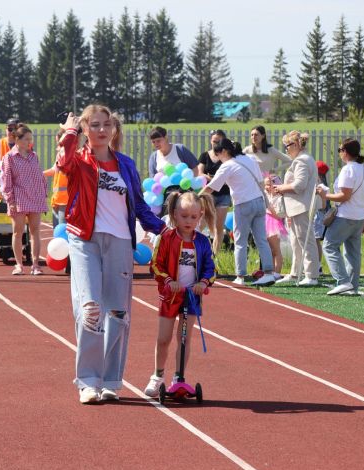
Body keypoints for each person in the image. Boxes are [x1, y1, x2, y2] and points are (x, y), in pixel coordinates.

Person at [57, 106, 166, 404]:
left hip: (120, 241)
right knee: (91, 308)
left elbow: (141, 207)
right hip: (85, 240)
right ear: (84, 129)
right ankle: (88, 381)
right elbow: (62, 163)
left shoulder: (127, 165)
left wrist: (163, 230)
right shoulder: (78, 161)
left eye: (107, 125)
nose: (102, 130)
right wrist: (69, 133)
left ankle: (110, 380)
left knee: (118, 313)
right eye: (94, 125)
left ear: (114, 129)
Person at [144, 191, 216, 397]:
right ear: (175, 214)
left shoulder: (202, 241)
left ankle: (179, 377)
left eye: (194, 217)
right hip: (170, 296)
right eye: (184, 216)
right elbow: (156, 265)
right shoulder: (166, 238)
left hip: (192, 297)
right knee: (163, 338)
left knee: (184, 339)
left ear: (200, 216)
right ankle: (157, 376)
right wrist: (168, 281)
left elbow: (211, 268)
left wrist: (203, 282)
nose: (188, 221)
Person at [199, 138, 276, 286]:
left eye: (218, 154)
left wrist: (195, 198)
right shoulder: (249, 159)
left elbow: (211, 187)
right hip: (259, 201)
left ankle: (240, 276)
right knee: (261, 239)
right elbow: (260, 180)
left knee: (240, 241)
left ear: (224, 151)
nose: (218, 158)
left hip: (243, 204)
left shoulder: (227, 166)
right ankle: (268, 273)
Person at [317, 138, 364, 295]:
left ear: (346, 152)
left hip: (345, 216)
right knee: (353, 252)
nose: (339, 152)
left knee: (329, 245)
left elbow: (344, 196)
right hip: (359, 216)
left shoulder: (348, 170)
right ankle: (352, 286)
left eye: (340, 150)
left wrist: (325, 195)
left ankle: (343, 281)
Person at [272, 131, 321, 286]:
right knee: (296, 241)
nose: (286, 149)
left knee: (305, 240)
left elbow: (299, 185)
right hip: (296, 207)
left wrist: (280, 188)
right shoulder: (303, 159)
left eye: (287, 145)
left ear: (296, 144)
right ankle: (295, 273)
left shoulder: (302, 161)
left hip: (301, 206)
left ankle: (311, 275)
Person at [0, 124, 47, 276]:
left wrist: (43, 193)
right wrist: (10, 201)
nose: (29, 142)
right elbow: (6, 181)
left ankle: (35, 265)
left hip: (35, 197)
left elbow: (39, 176)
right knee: (17, 233)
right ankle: (19, 265)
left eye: (30, 139)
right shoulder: (9, 158)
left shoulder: (34, 156)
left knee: (35, 232)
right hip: (18, 199)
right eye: (26, 139)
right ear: (17, 140)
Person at [197, 129, 231, 253]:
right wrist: (212, 179)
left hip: (224, 194)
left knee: (219, 227)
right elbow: (200, 172)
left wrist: (218, 180)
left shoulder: (226, 157)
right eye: (213, 141)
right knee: (201, 223)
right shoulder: (205, 155)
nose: (215, 144)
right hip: (208, 194)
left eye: (218, 142)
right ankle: (196, 250)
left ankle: (214, 254)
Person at [0, 118, 19, 210]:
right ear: (6, 129)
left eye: (15, 129)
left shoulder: (24, 144)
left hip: (17, 181)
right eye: (9, 129)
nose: (11, 131)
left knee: (17, 211)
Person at [264, 175, 288, 279]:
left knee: (276, 249)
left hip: (273, 224)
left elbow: (279, 215)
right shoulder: (266, 195)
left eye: (269, 184)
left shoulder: (279, 198)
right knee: (270, 250)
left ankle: (277, 273)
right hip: (265, 222)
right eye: (265, 185)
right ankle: (272, 271)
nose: (267, 187)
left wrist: (269, 209)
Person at [314, 161, 331, 269]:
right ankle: (316, 264)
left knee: (315, 241)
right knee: (315, 241)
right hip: (317, 215)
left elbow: (323, 206)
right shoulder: (321, 185)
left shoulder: (321, 187)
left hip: (318, 216)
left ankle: (317, 265)